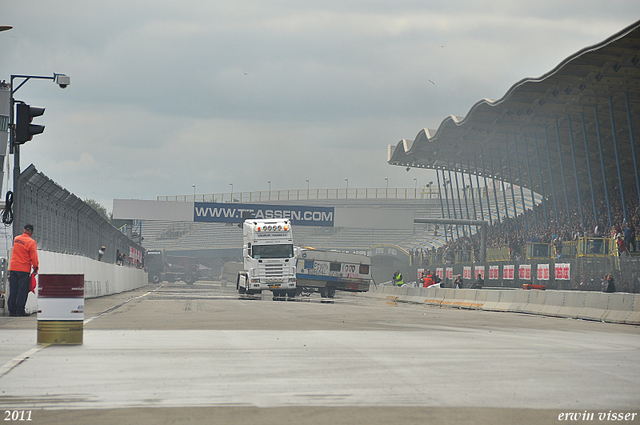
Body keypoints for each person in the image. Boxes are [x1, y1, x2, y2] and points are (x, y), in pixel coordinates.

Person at [8, 224, 39, 317]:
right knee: (22, 291)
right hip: (23, 270)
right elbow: (33, 256)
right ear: (32, 232)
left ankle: (12, 311)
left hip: (13, 268)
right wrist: (35, 267)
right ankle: (20, 311)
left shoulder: (16, 239)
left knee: (13, 290)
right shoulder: (31, 242)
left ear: (23, 230)